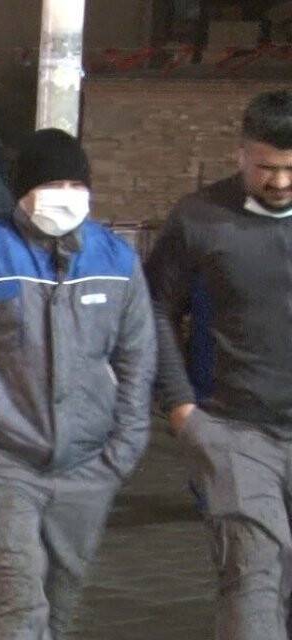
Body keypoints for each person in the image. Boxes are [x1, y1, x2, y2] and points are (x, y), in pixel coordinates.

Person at [0, 129, 156, 639]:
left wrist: (124, 448)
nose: (64, 193)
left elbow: (138, 355)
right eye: (51, 182)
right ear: (20, 190)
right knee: (18, 605)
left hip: (89, 465)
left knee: (60, 606)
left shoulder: (116, 261)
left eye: (74, 182)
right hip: (1, 461)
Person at [147, 90, 292, 640]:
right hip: (236, 430)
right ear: (240, 155)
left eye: (289, 169)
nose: (278, 182)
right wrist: (180, 405)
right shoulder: (199, 218)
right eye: (265, 168)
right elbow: (156, 307)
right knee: (251, 572)